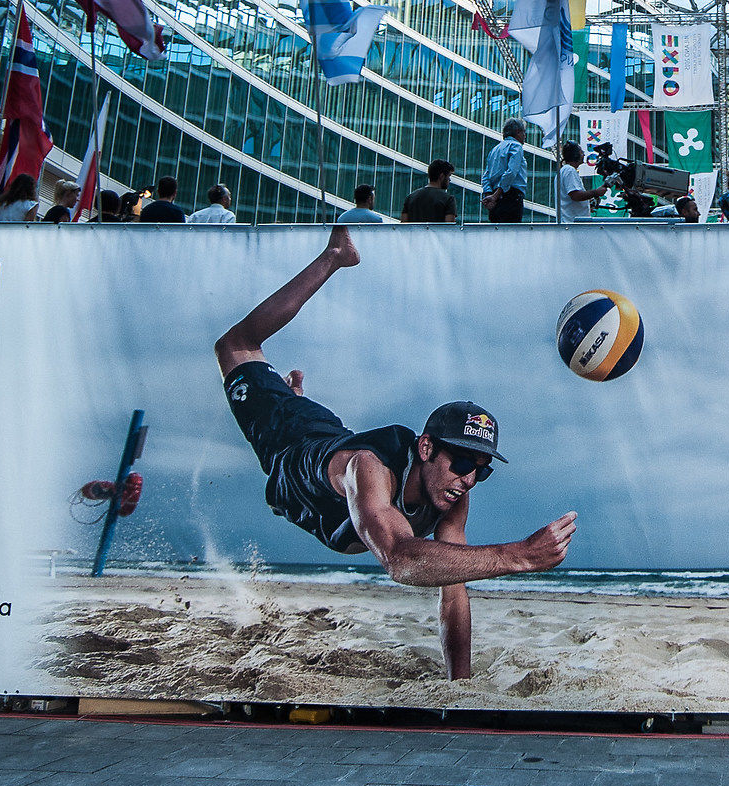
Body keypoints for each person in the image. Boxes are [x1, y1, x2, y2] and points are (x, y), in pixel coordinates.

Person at [213, 227, 576, 678]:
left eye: (480, 471)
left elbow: (453, 589)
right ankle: (335, 255)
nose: (467, 479)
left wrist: (460, 686)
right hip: (290, 444)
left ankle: (294, 397)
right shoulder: (370, 467)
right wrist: (518, 555)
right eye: (463, 463)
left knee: (311, 420)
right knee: (235, 346)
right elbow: (401, 560)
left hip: (328, 437)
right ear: (426, 448)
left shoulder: (453, 492)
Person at [482, 119, 528, 223]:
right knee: (511, 231)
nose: (525, 136)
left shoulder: (495, 149)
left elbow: (486, 176)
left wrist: (489, 196)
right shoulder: (516, 146)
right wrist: (495, 196)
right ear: (518, 132)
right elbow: (511, 172)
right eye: (524, 132)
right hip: (511, 197)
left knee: (496, 230)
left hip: (495, 199)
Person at [559, 141, 606, 224]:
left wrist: (587, 204)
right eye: (581, 152)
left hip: (572, 224)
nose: (584, 155)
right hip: (573, 225)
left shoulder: (565, 170)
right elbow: (575, 195)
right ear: (575, 155)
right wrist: (596, 192)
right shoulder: (569, 170)